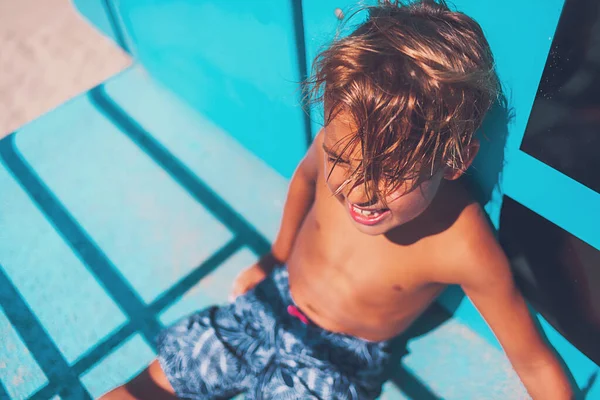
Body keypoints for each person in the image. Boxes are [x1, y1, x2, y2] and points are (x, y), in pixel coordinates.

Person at [100, 1, 574, 398]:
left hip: (338, 359)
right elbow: (304, 182)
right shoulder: (337, 140)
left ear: (453, 159)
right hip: (272, 298)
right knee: (156, 381)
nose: (357, 191)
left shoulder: (462, 244)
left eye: (390, 174)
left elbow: (534, 363)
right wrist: (275, 256)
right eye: (342, 160)